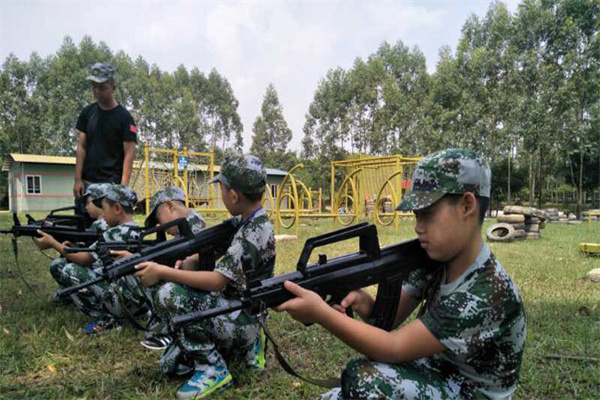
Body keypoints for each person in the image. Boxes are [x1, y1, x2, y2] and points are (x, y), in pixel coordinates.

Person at [276, 149, 526, 400]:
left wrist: (321, 313)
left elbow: (393, 347)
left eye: (427, 213)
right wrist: (362, 301)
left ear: (467, 205)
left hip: (472, 392)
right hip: (436, 372)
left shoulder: (488, 291)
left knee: (365, 380)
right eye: (416, 216)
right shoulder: (437, 261)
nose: (418, 227)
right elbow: (388, 318)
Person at [134, 155, 276, 399]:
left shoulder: (254, 230)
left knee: (169, 293)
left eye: (222, 188)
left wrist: (164, 272)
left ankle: (214, 369)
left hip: (241, 316)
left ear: (234, 195)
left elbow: (217, 281)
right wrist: (193, 260)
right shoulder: (247, 221)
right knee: (171, 365)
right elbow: (219, 246)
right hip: (236, 308)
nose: (221, 194)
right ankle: (247, 345)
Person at [111, 186, 207, 350]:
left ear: (170, 206)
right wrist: (134, 258)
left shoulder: (194, 227)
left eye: (158, 217)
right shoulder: (187, 226)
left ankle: (167, 330)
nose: (160, 225)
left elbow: (188, 264)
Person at [73, 62, 137, 207]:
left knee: (107, 222)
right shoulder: (87, 113)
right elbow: (81, 146)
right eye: (94, 86)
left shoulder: (125, 118)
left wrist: (123, 187)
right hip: (87, 185)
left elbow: (129, 153)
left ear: (113, 87)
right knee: (82, 221)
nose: (97, 91)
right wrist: (77, 179)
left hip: (111, 185)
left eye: (102, 87)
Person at [36, 183, 108, 301]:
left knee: (60, 266)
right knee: (59, 264)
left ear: (99, 202)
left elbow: (84, 259)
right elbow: (90, 248)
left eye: (88, 202)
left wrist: (53, 243)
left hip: (100, 274)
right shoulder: (100, 224)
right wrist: (74, 245)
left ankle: (85, 299)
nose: (86, 207)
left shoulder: (100, 226)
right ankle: (73, 295)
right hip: (99, 270)